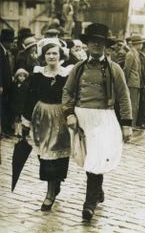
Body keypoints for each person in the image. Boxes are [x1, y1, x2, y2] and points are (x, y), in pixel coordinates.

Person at [62, 23, 132, 221]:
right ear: (87, 44)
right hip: (82, 118)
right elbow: (67, 91)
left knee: (96, 159)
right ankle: (97, 191)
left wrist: (126, 124)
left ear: (105, 46)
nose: (96, 46)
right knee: (89, 159)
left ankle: (89, 204)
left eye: (100, 42)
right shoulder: (79, 68)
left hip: (103, 118)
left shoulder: (114, 69)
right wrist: (69, 113)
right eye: (93, 42)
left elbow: (124, 96)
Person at [22, 41, 72, 211]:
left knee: (57, 155)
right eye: (48, 53)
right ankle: (52, 187)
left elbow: (71, 97)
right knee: (44, 156)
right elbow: (30, 98)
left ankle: (52, 191)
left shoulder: (66, 75)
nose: (51, 56)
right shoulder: (37, 74)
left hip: (60, 118)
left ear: (60, 56)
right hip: (41, 117)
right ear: (44, 56)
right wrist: (26, 121)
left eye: (55, 53)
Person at [124, 34, 145, 130]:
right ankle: (130, 125)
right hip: (132, 82)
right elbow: (127, 69)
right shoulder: (130, 54)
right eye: (141, 44)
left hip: (136, 82)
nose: (141, 46)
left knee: (135, 105)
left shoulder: (135, 53)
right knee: (132, 104)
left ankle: (132, 124)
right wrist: (124, 82)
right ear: (137, 44)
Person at [0, 29, 16, 137]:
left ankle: (5, 129)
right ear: (5, 41)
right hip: (1, 86)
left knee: (5, 107)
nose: (12, 44)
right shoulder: (0, 51)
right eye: (10, 42)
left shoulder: (5, 51)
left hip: (6, 86)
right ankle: (3, 130)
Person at [10, 68, 29, 137]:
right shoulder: (14, 85)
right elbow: (12, 94)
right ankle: (16, 131)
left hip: (22, 104)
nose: (22, 78)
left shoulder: (26, 86)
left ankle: (20, 131)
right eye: (20, 76)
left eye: (23, 76)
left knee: (21, 118)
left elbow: (26, 96)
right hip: (15, 104)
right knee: (16, 117)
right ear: (17, 77)